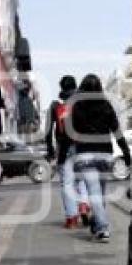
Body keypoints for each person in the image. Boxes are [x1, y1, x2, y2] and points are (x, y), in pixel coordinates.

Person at [70, 74, 132, 242]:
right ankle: (98, 224)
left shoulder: (77, 107)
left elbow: (72, 132)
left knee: (94, 193)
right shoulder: (106, 106)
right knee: (101, 194)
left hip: (85, 154)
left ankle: (103, 228)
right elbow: (117, 132)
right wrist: (126, 153)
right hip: (104, 155)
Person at [45, 75, 90, 228]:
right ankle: (84, 204)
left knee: (67, 183)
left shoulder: (55, 106)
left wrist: (50, 149)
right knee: (82, 178)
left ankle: (71, 218)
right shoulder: (82, 103)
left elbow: (48, 131)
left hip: (64, 148)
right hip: (82, 146)